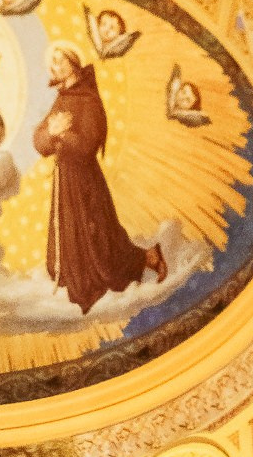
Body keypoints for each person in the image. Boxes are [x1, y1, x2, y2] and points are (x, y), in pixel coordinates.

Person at [34, 45, 164, 311]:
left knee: (101, 237)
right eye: (52, 63)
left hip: (85, 179)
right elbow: (39, 142)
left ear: (73, 63)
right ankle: (80, 280)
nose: (55, 66)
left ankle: (148, 258)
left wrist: (60, 134)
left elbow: (86, 146)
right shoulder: (62, 98)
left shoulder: (89, 99)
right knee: (72, 232)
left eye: (60, 60)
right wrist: (52, 133)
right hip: (65, 179)